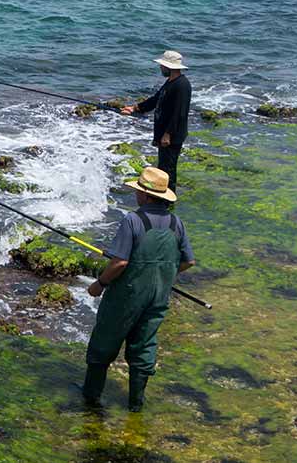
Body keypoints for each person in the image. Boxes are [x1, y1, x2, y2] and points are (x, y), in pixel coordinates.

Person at [81, 166, 195, 412]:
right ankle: (135, 404)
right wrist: (165, 274)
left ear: (144, 195)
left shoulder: (133, 220)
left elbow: (120, 262)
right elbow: (188, 261)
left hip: (126, 297)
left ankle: (91, 401)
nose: (136, 195)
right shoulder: (177, 223)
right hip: (158, 297)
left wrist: (99, 284)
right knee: (143, 348)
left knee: (103, 347)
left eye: (138, 191)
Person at [121, 51, 191, 191]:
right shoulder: (170, 82)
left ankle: (167, 201)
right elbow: (155, 99)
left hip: (172, 136)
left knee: (168, 170)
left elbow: (180, 113)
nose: (160, 68)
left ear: (168, 67)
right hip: (165, 134)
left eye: (162, 66)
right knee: (163, 166)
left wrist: (168, 134)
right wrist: (135, 108)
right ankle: (161, 198)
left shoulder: (182, 85)